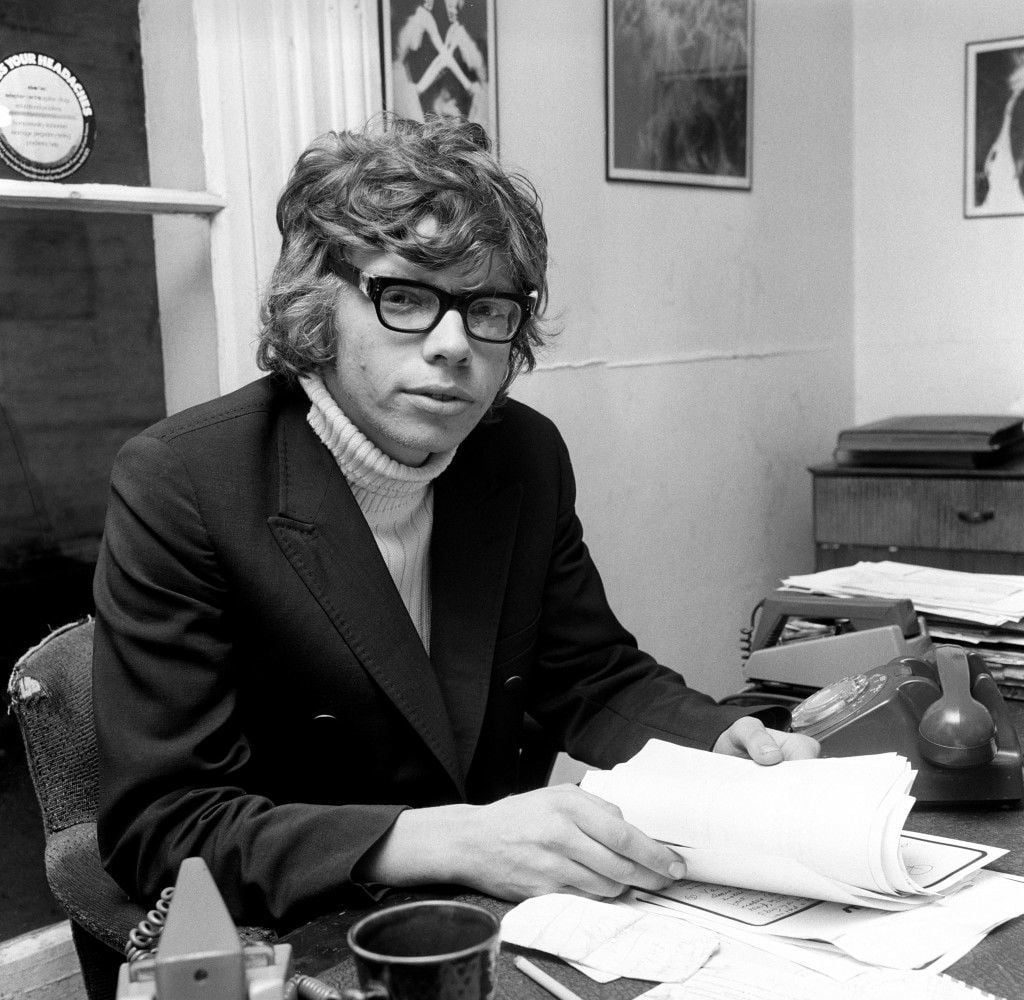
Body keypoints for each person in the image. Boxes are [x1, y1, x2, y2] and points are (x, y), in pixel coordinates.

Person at [92, 114, 817, 932]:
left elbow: (590, 675)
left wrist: (728, 742)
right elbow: (162, 825)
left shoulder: (521, 457)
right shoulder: (184, 481)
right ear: (316, 304)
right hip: (315, 930)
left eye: (488, 309)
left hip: (508, 919)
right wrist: (451, 840)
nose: (452, 344)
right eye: (404, 297)